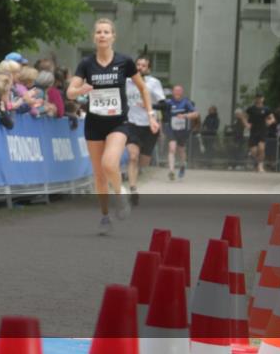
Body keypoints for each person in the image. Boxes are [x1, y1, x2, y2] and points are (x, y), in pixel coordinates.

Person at [67, 18, 158, 235]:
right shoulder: (86, 64)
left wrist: (151, 115)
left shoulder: (124, 61)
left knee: (109, 163)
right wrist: (81, 90)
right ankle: (105, 216)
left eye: (106, 32)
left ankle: (120, 194)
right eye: (98, 32)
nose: (102, 35)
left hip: (118, 122)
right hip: (94, 123)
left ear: (113, 37)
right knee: (99, 175)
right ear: (94, 37)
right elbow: (70, 92)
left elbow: (143, 89)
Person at [124, 56, 164, 205]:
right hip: (131, 124)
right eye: (138, 65)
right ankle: (133, 189)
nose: (140, 67)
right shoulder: (126, 82)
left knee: (144, 162)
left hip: (149, 126)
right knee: (133, 156)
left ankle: (135, 174)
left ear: (148, 69)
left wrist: (149, 106)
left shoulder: (154, 83)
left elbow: (164, 105)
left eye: (143, 65)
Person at [166, 85, 198, 181]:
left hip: (183, 130)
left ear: (182, 92)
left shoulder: (186, 102)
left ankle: (183, 165)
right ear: (173, 92)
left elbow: (196, 114)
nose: (177, 92)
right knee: (172, 149)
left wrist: (185, 115)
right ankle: (171, 171)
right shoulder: (169, 102)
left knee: (181, 150)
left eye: (179, 91)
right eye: (175, 90)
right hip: (171, 129)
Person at [244, 94, 275, 173]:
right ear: (255, 99)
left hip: (262, 131)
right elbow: (244, 117)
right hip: (253, 132)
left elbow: (273, 118)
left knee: (261, 148)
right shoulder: (251, 109)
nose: (259, 99)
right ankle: (258, 163)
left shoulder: (266, 109)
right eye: (257, 98)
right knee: (254, 151)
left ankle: (260, 166)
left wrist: (270, 122)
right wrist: (246, 124)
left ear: (263, 99)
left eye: (260, 98)